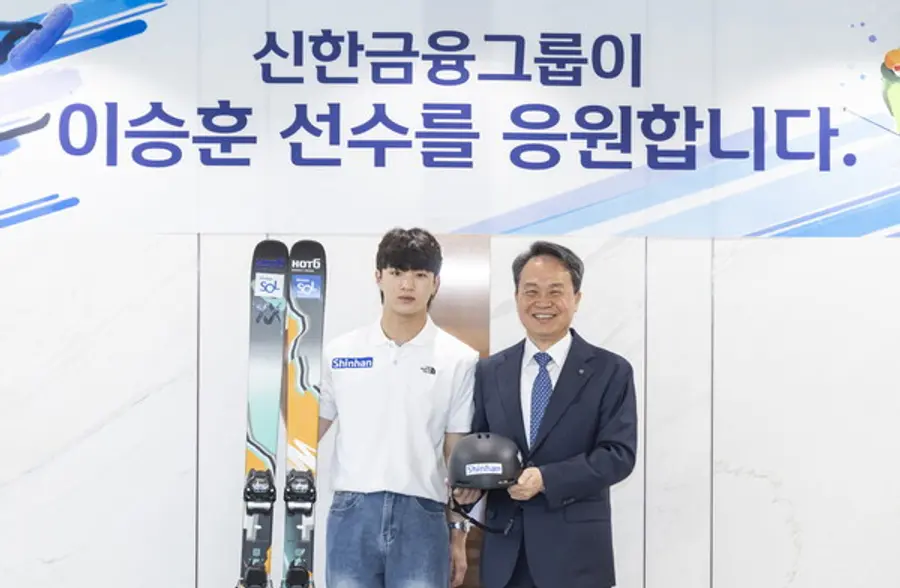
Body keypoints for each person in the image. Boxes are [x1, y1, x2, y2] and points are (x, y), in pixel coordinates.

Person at [458, 240, 638, 588]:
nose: (542, 302)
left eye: (555, 291)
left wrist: (546, 479)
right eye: (531, 291)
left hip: (577, 559)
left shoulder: (610, 371)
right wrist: (468, 488)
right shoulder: (489, 371)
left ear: (577, 298)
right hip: (505, 556)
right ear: (516, 298)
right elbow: (480, 447)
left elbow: (618, 455)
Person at [316, 227, 482, 588]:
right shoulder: (340, 352)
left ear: (435, 283)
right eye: (396, 272)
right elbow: (306, 432)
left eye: (420, 275)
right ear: (379, 277)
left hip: (422, 514)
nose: (407, 285)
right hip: (352, 512)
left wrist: (458, 532)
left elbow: (455, 455)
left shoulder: (459, 359)